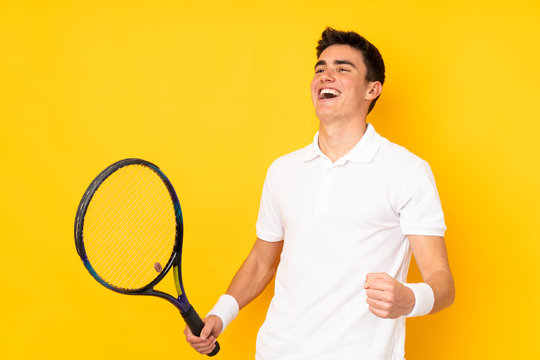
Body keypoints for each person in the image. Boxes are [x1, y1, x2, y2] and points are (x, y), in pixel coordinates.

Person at [184, 27, 455, 359]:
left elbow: (442, 283)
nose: (326, 75)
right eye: (320, 68)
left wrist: (411, 299)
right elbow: (260, 262)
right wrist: (219, 315)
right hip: (276, 351)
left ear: (373, 89)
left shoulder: (407, 171)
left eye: (343, 68)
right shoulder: (283, 170)